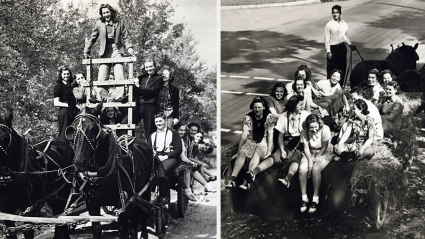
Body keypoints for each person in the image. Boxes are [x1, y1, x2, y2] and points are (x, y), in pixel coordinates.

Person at [224, 96, 274, 190]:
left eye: (259, 107)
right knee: (243, 153)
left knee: (257, 153)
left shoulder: (269, 117)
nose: (257, 109)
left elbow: (270, 134)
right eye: (255, 107)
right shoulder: (248, 117)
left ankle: (248, 180)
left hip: (263, 141)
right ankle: (233, 179)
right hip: (251, 141)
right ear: (252, 108)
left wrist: (269, 151)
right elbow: (244, 133)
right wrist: (239, 150)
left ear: (263, 107)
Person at [83, 4, 134, 82]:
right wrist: (86, 50)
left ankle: (120, 94)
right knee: (102, 77)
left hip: (117, 50)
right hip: (105, 51)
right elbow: (92, 38)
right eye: (103, 13)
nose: (106, 15)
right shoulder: (99, 24)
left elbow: (126, 36)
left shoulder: (119, 23)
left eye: (107, 12)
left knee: (119, 74)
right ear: (101, 15)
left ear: (111, 12)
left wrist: (129, 47)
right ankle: (101, 94)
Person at [298, 114, 333, 213]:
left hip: (323, 152)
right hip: (310, 152)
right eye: (311, 128)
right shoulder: (304, 131)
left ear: (319, 124)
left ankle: (315, 198)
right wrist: (309, 161)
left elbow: (325, 147)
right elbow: (306, 148)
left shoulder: (325, 129)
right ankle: (304, 198)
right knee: (302, 169)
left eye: (315, 127)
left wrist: (315, 161)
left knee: (316, 169)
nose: (313, 130)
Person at [274, 95, 310, 188]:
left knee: (296, 155)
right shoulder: (283, 116)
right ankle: (254, 172)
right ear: (294, 105)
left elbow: (304, 137)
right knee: (276, 155)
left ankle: (288, 179)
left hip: (301, 142)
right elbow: (280, 137)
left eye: (303, 104)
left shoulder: (306, 115)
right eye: (301, 104)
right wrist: (282, 151)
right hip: (288, 141)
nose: (303, 106)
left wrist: (294, 150)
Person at [148, 112, 182, 206]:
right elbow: (149, 149)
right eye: (156, 122)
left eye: (160, 121)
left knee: (163, 168)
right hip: (157, 156)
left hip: (171, 157)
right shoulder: (152, 135)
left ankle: (164, 197)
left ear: (165, 121)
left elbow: (178, 149)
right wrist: (154, 154)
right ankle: (150, 194)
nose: (158, 123)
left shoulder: (173, 133)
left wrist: (165, 157)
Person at [129, 58, 163, 138]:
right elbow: (135, 93)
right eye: (147, 67)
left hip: (150, 107)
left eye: (150, 66)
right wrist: (131, 84)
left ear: (154, 66)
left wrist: (138, 86)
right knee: (126, 124)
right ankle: (133, 145)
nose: (148, 69)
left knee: (150, 132)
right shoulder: (141, 78)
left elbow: (152, 92)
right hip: (138, 106)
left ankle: (150, 149)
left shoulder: (159, 79)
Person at [324, 5, 357, 84]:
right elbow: (327, 39)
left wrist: (350, 44)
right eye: (333, 13)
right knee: (331, 70)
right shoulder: (329, 25)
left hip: (342, 48)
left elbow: (344, 37)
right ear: (332, 13)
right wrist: (328, 51)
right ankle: (329, 87)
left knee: (342, 69)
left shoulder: (344, 24)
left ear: (340, 13)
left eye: (337, 12)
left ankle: (340, 87)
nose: (335, 14)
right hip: (333, 49)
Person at [53, 66, 78, 143]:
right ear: (60, 75)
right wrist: (69, 105)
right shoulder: (58, 86)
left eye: (68, 74)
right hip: (65, 112)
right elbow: (56, 103)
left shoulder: (70, 86)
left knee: (73, 133)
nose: (66, 76)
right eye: (64, 74)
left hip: (72, 111)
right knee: (64, 134)